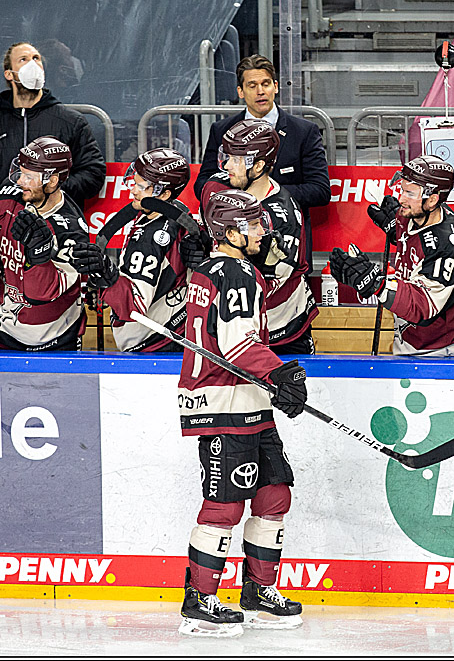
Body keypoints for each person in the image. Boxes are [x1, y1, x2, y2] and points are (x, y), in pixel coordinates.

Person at [177, 188, 307, 637]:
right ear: (229, 232)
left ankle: (256, 590)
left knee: (274, 494)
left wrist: (272, 381)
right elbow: (236, 345)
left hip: (247, 400)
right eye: (252, 224)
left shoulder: (222, 267)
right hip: (222, 402)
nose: (262, 230)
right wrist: (282, 373)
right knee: (225, 505)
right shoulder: (234, 272)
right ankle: (199, 599)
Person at [329, 155, 454, 357]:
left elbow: (424, 305)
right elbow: (417, 244)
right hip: (415, 338)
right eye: (402, 190)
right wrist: (396, 230)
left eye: (410, 193)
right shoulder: (415, 214)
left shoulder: (446, 244)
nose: (401, 199)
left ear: (433, 199)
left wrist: (375, 283)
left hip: (450, 346)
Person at [193, 54, 330, 272]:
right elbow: (202, 184)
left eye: (266, 84)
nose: (260, 91)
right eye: (252, 85)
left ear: (275, 87)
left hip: (286, 245)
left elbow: (320, 190)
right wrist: (236, 199)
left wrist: (266, 193)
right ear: (240, 91)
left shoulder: (304, 132)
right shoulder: (222, 131)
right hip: (233, 244)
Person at [0, 42, 106, 257]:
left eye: (36, 58)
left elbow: (93, 173)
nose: (32, 64)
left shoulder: (70, 121)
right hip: (4, 233)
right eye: (23, 59)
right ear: (9, 74)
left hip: (57, 232)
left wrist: (51, 190)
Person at [197, 119, 319, 354]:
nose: (227, 166)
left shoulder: (282, 218)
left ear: (259, 165)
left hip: (280, 329)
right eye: (227, 156)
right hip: (232, 325)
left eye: (236, 160)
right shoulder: (216, 188)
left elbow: (267, 286)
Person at [68, 148, 207, 352]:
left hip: (153, 342)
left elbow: (133, 307)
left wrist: (108, 275)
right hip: (175, 333)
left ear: (165, 193)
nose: (133, 190)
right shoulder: (176, 212)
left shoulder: (150, 238)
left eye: (141, 187)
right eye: (134, 182)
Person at [0, 137, 89, 351]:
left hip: (54, 340)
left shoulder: (72, 230)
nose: (19, 181)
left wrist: (39, 258)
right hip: (0, 331)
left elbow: (45, 292)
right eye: (20, 172)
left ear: (52, 181)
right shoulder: (5, 195)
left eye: (28, 177)